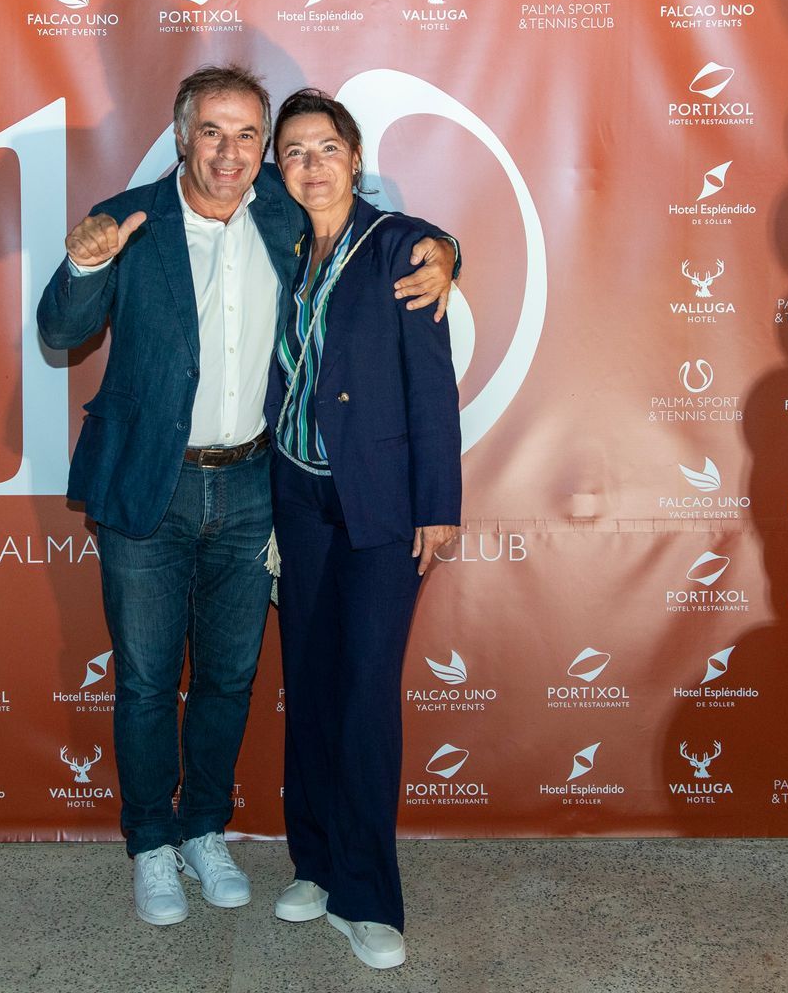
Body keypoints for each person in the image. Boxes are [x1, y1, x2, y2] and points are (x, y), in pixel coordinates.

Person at [36, 65, 458, 929]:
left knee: (230, 678)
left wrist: (447, 252)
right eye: (211, 131)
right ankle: (151, 842)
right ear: (181, 135)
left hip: (256, 486)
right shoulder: (130, 219)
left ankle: (204, 829)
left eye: (247, 136)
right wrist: (82, 263)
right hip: (150, 483)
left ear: (265, 148)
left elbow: (382, 233)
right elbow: (60, 329)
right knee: (147, 680)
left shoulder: (281, 211)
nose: (230, 153)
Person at [264, 88, 461, 971]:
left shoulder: (401, 248)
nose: (312, 165)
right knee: (308, 682)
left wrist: (438, 505)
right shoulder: (281, 245)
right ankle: (312, 863)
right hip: (296, 498)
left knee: (366, 692)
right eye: (294, 152)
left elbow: (432, 385)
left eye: (326, 148)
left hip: (381, 503)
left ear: (354, 158)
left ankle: (368, 897)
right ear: (279, 169)